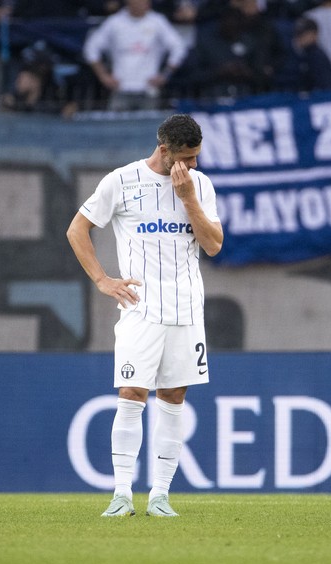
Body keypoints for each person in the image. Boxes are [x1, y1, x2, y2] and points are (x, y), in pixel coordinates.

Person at [66, 114, 223, 518]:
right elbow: (77, 230)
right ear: (165, 150)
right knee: (132, 394)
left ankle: (160, 496)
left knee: (173, 398)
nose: (192, 166)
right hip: (141, 310)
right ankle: (121, 494)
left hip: (187, 310)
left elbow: (213, 246)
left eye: (196, 158)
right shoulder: (121, 181)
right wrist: (102, 280)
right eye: (186, 158)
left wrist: (188, 197)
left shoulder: (200, 185)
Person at [83, 0, 188, 111]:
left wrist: (165, 74)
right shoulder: (115, 22)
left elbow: (178, 47)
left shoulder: (157, 22)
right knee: (116, 127)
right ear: (128, 2)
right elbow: (91, 48)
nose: (140, 4)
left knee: (151, 127)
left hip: (149, 89)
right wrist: (103, 76)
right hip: (120, 88)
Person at [275, 17, 331, 93]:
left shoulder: (318, 57)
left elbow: (324, 86)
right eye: (297, 34)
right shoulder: (296, 54)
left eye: (303, 34)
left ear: (314, 34)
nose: (298, 38)